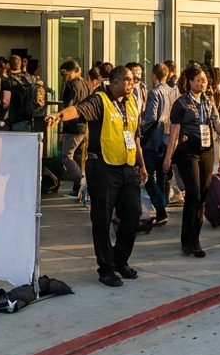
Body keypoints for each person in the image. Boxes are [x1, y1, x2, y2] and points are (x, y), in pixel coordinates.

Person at [47, 65, 149, 287]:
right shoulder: (99, 100)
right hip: (102, 167)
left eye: (133, 80)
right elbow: (78, 110)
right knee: (101, 220)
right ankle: (106, 269)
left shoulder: (131, 103)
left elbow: (135, 137)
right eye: (127, 80)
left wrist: (142, 165)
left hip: (128, 167)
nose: (132, 83)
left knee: (133, 215)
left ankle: (120, 261)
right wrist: (59, 115)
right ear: (113, 82)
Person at [164, 66, 220, 258]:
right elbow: (174, 133)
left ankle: (191, 238)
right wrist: (168, 157)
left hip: (206, 151)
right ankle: (191, 241)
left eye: (204, 80)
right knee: (193, 194)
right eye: (198, 80)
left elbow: (218, 123)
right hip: (188, 152)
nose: (202, 83)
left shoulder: (208, 102)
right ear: (190, 82)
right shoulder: (181, 104)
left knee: (202, 197)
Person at [140, 63, 178, 226]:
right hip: (169, 138)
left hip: (154, 139)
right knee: (163, 172)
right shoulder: (174, 91)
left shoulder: (155, 93)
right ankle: (162, 209)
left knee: (146, 173)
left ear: (153, 76)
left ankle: (160, 205)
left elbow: (151, 118)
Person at [58, 60, 93, 200]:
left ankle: (80, 181)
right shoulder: (85, 83)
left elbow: (67, 107)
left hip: (73, 125)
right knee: (80, 156)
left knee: (67, 156)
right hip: (85, 124)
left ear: (73, 71)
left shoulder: (71, 85)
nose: (63, 77)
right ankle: (79, 186)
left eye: (64, 73)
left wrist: (61, 128)